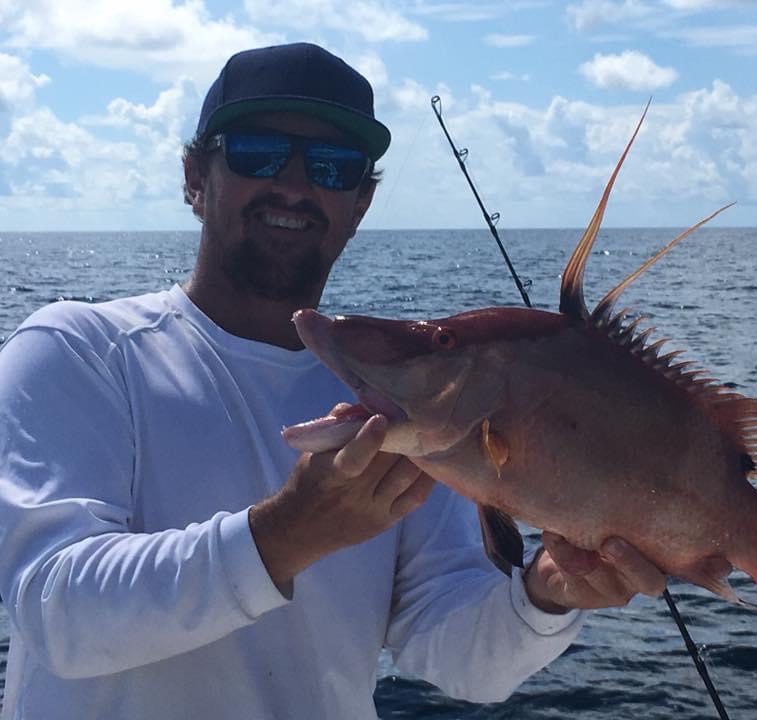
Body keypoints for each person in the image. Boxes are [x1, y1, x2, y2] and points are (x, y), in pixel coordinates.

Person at [0, 43, 665, 719]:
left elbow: (458, 654)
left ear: (360, 203)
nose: (294, 185)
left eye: (332, 166)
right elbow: (57, 613)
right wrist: (286, 535)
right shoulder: (78, 350)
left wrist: (545, 597)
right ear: (195, 177)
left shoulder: (407, 401)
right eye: (259, 153)